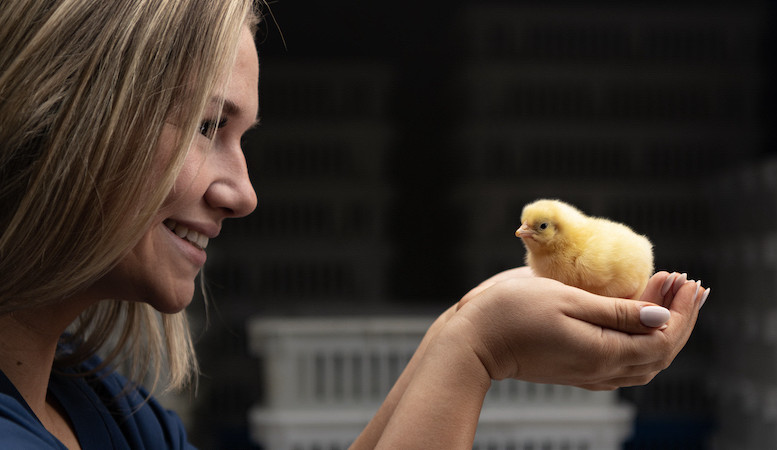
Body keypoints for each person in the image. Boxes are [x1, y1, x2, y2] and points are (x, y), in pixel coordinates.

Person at [0, 1, 708, 449]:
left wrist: (462, 333)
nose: (242, 193)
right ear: (66, 117)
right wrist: (476, 354)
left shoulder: (109, 413)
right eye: (208, 126)